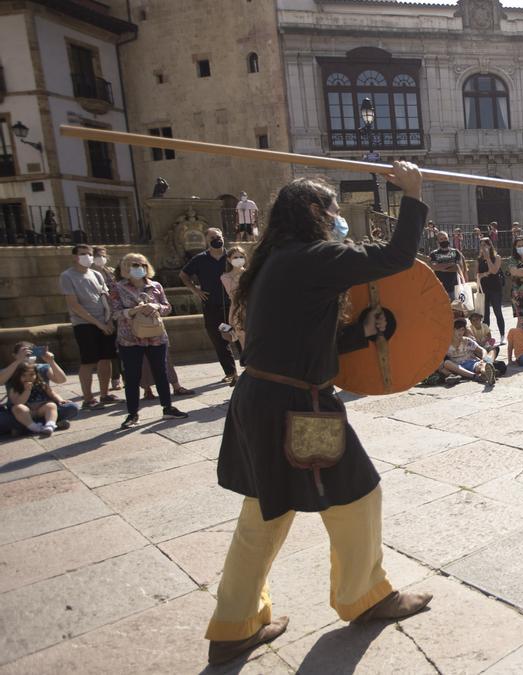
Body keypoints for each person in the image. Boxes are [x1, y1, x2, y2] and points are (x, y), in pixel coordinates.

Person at [207, 166, 433, 665]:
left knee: (264, 515)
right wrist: (412, 195)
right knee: (357, 496)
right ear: (313, 212)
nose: (336, 218)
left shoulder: (274, 261)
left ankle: (233, 625)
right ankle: (367, 597)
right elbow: (396, 257)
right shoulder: (314, 257)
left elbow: (303, 338)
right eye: (331, 209)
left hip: (261, 398)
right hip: (296, 409)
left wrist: (358, 336)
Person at [108, 253, 190, 429]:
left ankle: (167, 407)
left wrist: (156, 307)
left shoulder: (156, 286)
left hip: (156, 336)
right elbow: (114, 313)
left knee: (161, 372)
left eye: (142, 264)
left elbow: (167, 308)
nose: (139, 268)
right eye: (134, 265)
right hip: (130, 338)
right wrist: (133, 311)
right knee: (132, 376)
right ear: (126, 268)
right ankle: (132, 413)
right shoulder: (117, 288)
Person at [60, 243, 118, 408]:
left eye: (90, 254)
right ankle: (88, 398)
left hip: (104, 322)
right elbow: (73, 304)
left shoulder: (96, 275)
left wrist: (108, 321)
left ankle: (105, 394)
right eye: (83, 254)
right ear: (75, 257)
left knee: (105, 359)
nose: (88, 257)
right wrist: (98, 323)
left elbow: (105, 298)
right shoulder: (67, 276)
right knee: (88, 360)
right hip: (84, 324)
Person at [181, 228, 239, 385]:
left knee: (240, 336)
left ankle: (249, 369)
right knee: (220, 340)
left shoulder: (231, 256)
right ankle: (231, 373)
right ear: (207, 240)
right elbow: (184, 275)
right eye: (213, 237)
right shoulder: (200, 259)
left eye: (219, 236)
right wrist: (195, 290)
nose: (217, 239)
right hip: (212, 306)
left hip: (233, 304)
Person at [1, 343, 76, 436]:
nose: (27, 355)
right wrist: (18, 361)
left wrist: (51, 361)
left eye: (30, 352)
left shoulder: (42, 367)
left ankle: (25, 428)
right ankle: (52, 423)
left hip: (43, 409)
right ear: (15, 355)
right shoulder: (10, 369)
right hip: (20, 412)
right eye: (24, 352)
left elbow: (61, 380)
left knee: (72, 407)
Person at [90, 246, 124, 393]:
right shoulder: (90, 273)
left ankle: (125, 376)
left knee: (121, 347)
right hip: (104, 315)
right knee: (111, 349)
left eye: (103, 255)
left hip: (117, 312)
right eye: (97, 255)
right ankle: (115, 378)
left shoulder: (111, 272)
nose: (101, 258)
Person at [441, 318, 496, 385]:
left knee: (481, 365)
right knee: (447, 363)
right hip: (457, 366)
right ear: (452, 330)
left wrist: (483, 358)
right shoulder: (445, 345)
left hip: (471, 363)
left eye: (462, 330)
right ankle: (475, 376)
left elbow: (482, 350)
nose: (460, 332)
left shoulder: (467, 341)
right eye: (458, 329)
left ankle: (487, 374)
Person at [476, 237, 505, 337]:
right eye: (481, 245)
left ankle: (502, 335)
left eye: (485, 245)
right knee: (485, 314)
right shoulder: (479, 259)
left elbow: (494, 271)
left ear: (490, 245)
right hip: (483, 289)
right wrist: (485, 273)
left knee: (498, 312)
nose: (483, 247)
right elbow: (477, 274)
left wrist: (488, 258)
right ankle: (486, 337)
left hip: (495, 288)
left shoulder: (496, 257)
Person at [428, 230, 466, 298]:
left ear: (448, 239)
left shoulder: (455, 252)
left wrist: (442, 268)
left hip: (455, 287)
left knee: (455, 308)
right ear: (438, 241)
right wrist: (451, 264)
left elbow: (459, 268)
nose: (444, 240)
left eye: (445, 238)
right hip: (440, 288)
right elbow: (434, 267)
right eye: (441, 239)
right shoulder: (433, 254)